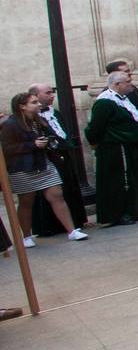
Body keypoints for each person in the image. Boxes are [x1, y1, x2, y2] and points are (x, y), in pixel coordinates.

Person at [2, 93, 88, 244]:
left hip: (43, 164)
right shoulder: (11, 124)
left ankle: (72, 230)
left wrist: (48, 142)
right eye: (33, 102)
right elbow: (7, 148)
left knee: (57, 195)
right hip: (23, 168)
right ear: (22, 106)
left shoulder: (38, 120)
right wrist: (32, 145)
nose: (38, 104)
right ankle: (27, 236)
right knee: (26, 202)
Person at [84, 70, 138, 225]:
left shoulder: (125, 99)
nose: (131, 84)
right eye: (127, 82)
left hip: (129, 146)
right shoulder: (105, 102)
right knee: (120, 181)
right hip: (115, 149)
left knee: (132, 178)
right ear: (117, 84)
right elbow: (95, 127)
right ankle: (120, 213)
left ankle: (136, 209)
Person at [26, 82, 89, 236]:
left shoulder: (55, 113)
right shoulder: (32, 118)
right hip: (48, 159)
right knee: (52, 192)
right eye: (47, 93)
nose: (51, 95)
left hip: (63, 155)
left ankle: (74, 221)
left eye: (51, 92)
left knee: (67, 188)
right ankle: (50, 226)